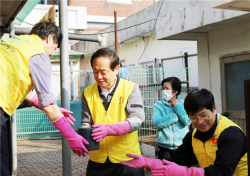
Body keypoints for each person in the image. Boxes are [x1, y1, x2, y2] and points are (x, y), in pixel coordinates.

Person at [0, 21, 89, 176]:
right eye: (54, 49)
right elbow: (49, 106)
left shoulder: (12, 43)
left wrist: (42, 104)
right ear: (49, 38)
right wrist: (71, 135)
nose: (50, 54)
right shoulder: (38, 54)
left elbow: (13, 83)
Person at [121, 89, 248, 176]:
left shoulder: (231, 134)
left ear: (214, 109)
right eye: (193, 117)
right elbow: (178, 160)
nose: (200, 122)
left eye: (204, 115)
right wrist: (149, 162)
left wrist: (184, 173)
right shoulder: (193, 135)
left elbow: (222, 172)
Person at [81, 48, 145, 176]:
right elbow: (86, 122)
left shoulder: (130, 88)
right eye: (95, 71)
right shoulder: (87, 92)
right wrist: (82, 139)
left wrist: (109, 129)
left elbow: (137, 119)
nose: (98, 77)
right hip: (98, 160)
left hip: (127, 158)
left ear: (116, 69)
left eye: (103, 72)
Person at [153, 77, 190, 159]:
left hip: (182, 146)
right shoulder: (158, 105)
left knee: (181, 171)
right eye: (163, 88)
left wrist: (177, 105)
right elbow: (157, 123)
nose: (164, 91)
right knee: (165, 171)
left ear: (176, 91)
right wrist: (177, 116)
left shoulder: (184, 103)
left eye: (167, 88)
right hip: (164, 147)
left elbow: (187, 121)